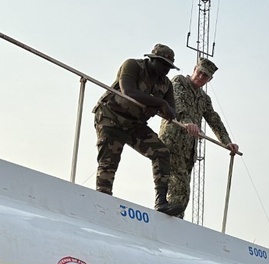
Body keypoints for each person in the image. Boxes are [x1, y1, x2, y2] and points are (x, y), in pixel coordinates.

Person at [93, 44, 186, 216]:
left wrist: (159, 105)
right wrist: (157, 103)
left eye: (169, 67)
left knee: (161, 152)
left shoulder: (166, 84)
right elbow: (129, 91)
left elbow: (172, 113)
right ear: (152, 60)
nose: (166, 70)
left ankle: (161, 202)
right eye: (163, 65)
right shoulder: (133, 65)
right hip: (111, 117)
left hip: (135, 124)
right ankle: (102, 203)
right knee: (109, 161)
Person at [158, 57, 240, 218]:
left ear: (210, 79)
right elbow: (178, 103)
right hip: (173, 141)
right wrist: (187, 122)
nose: (201, 77)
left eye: (205, 76)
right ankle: (171, 219)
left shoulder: (204, 98)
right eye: (200, 72)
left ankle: (174, 219)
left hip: (188, 148)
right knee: (179, 186)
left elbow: (214, 119)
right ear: (194, 69)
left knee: (181, 186)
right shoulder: (179, 81)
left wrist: (227, 142)